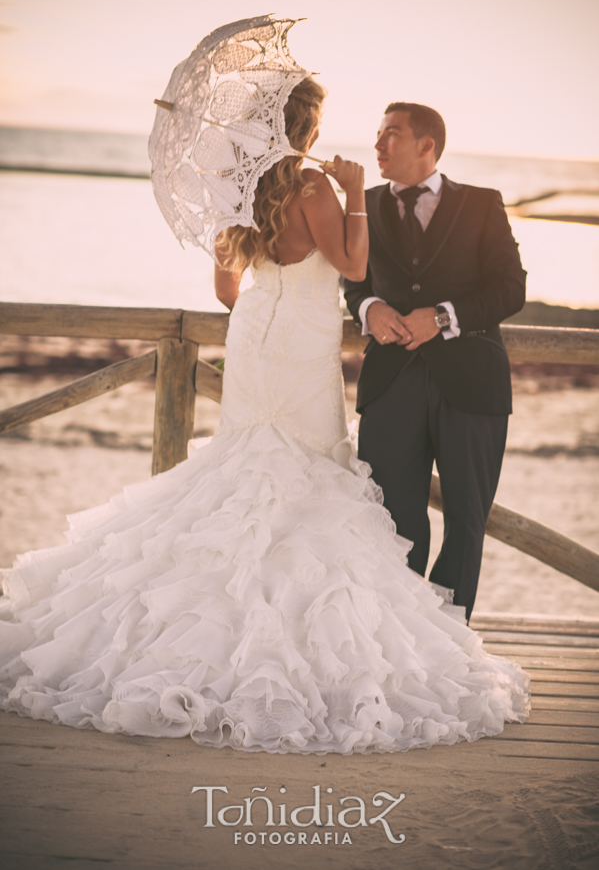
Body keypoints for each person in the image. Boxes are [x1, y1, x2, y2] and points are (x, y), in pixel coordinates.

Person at [0, 81, 529, 754]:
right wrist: (357, 233)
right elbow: (355, 267)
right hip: (310, 347)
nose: (371, 139)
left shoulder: (241, 194)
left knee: (250, 472)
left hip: (261, 335)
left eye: (388, 133)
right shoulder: (323, 192)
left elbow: (227, 290)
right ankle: (340, 635)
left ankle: (212, 617)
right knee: (322, 484)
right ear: (306, 128)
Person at [345, 103, 527, 623]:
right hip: (391, 382)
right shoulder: (363, 203)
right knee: (391, 522)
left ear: (427, 145)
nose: (379, 145)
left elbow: (511, 288)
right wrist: (369, 306)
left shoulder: (482, 204)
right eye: (378, 134)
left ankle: (447, 645)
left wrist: (443, 317)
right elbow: (351, 279)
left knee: (467, 521)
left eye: (392, 135)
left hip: (472, 384)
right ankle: (399, 641)